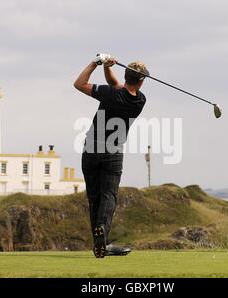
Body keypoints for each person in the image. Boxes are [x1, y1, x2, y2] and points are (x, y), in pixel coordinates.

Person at [74, 53, 149, 258]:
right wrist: (108, 67)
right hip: (113, 152)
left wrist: (95, 63)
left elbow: (79, 84)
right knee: (109, 196)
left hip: (90, 149)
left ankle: (101, 243)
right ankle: (102, 234)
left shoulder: (108, 94)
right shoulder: (140, 100)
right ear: (141, 82)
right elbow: (118, 87)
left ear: (126, 76)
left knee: (94, 198)